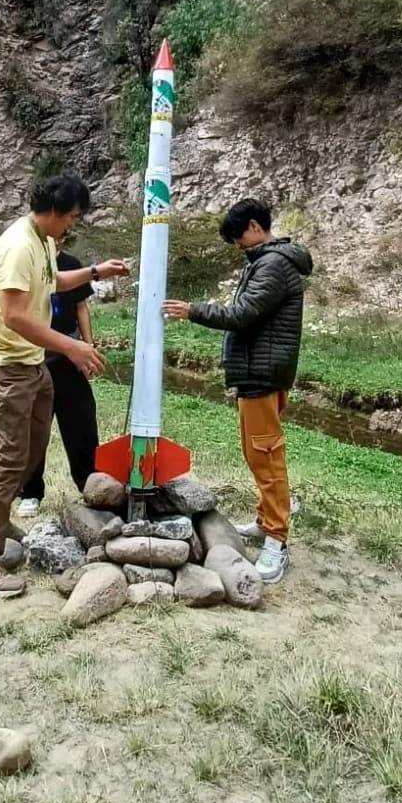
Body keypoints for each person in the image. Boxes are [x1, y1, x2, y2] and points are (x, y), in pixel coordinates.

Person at [0, 174, 129, 600]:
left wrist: (94, 271)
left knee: (30, 448)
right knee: (6, 459)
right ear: (54, 211)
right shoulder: (18, 246)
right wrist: (72, 346)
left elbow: (52, 282)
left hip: (32, 365)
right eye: (72, 216)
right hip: (6, 365)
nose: (72, 224)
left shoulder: (43, 240)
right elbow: (15, 315)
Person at [162, 197, 312, 584]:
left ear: (255, 228)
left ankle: (277, 541)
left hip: (263, 374)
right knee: (257, 452)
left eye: (237, 238)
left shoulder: (274, 264)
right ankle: (266, 521)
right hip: (255, 373)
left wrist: (193, 310)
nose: (236, 246)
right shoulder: (265, 262)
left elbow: (243, 314)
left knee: (267, 456)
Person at [16, 233, 100, 516]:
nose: (58, 242)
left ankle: (91, 484)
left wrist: (88, 346)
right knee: (34, 426)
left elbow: (81, 307)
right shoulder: (27, 263)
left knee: (81, 420)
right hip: (36, 356)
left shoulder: (70, 264)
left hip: (70, 354)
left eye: (63, 238)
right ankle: (30, 492)